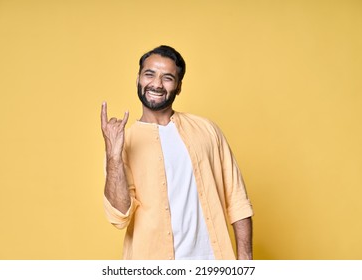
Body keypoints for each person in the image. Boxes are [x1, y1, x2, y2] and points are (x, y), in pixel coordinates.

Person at [101, 45, 253, 260]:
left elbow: (237, 201)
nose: (156, 84)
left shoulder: (207, 130)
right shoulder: (123, 142)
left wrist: (246, 262)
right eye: (149, 74)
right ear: (138, 79)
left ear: (179, 86)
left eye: (168, 78)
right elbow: (119, 216)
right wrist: (113, 156)